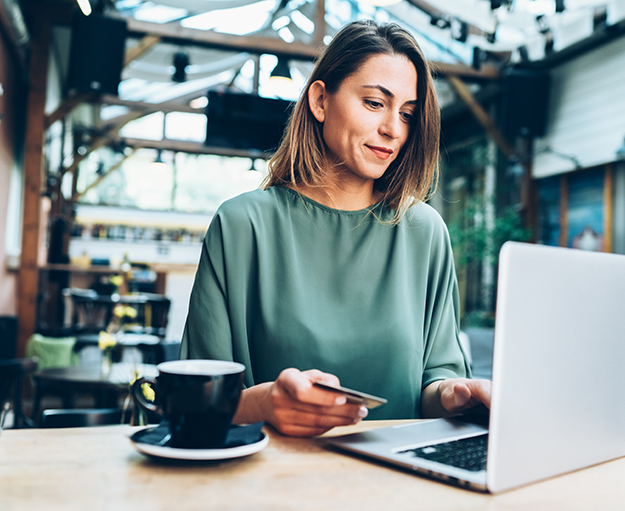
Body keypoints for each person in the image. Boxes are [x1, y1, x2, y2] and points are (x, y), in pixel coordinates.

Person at [181, 20, 491, 437]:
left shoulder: (424, 231)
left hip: (398, 487)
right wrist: (263, 403)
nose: (393, 129)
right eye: (374, 103)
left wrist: (456, 393)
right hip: (271, 487)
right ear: (321, 100)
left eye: (407, 113)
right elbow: (193, 401)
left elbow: (435, 379)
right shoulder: (242, 226)